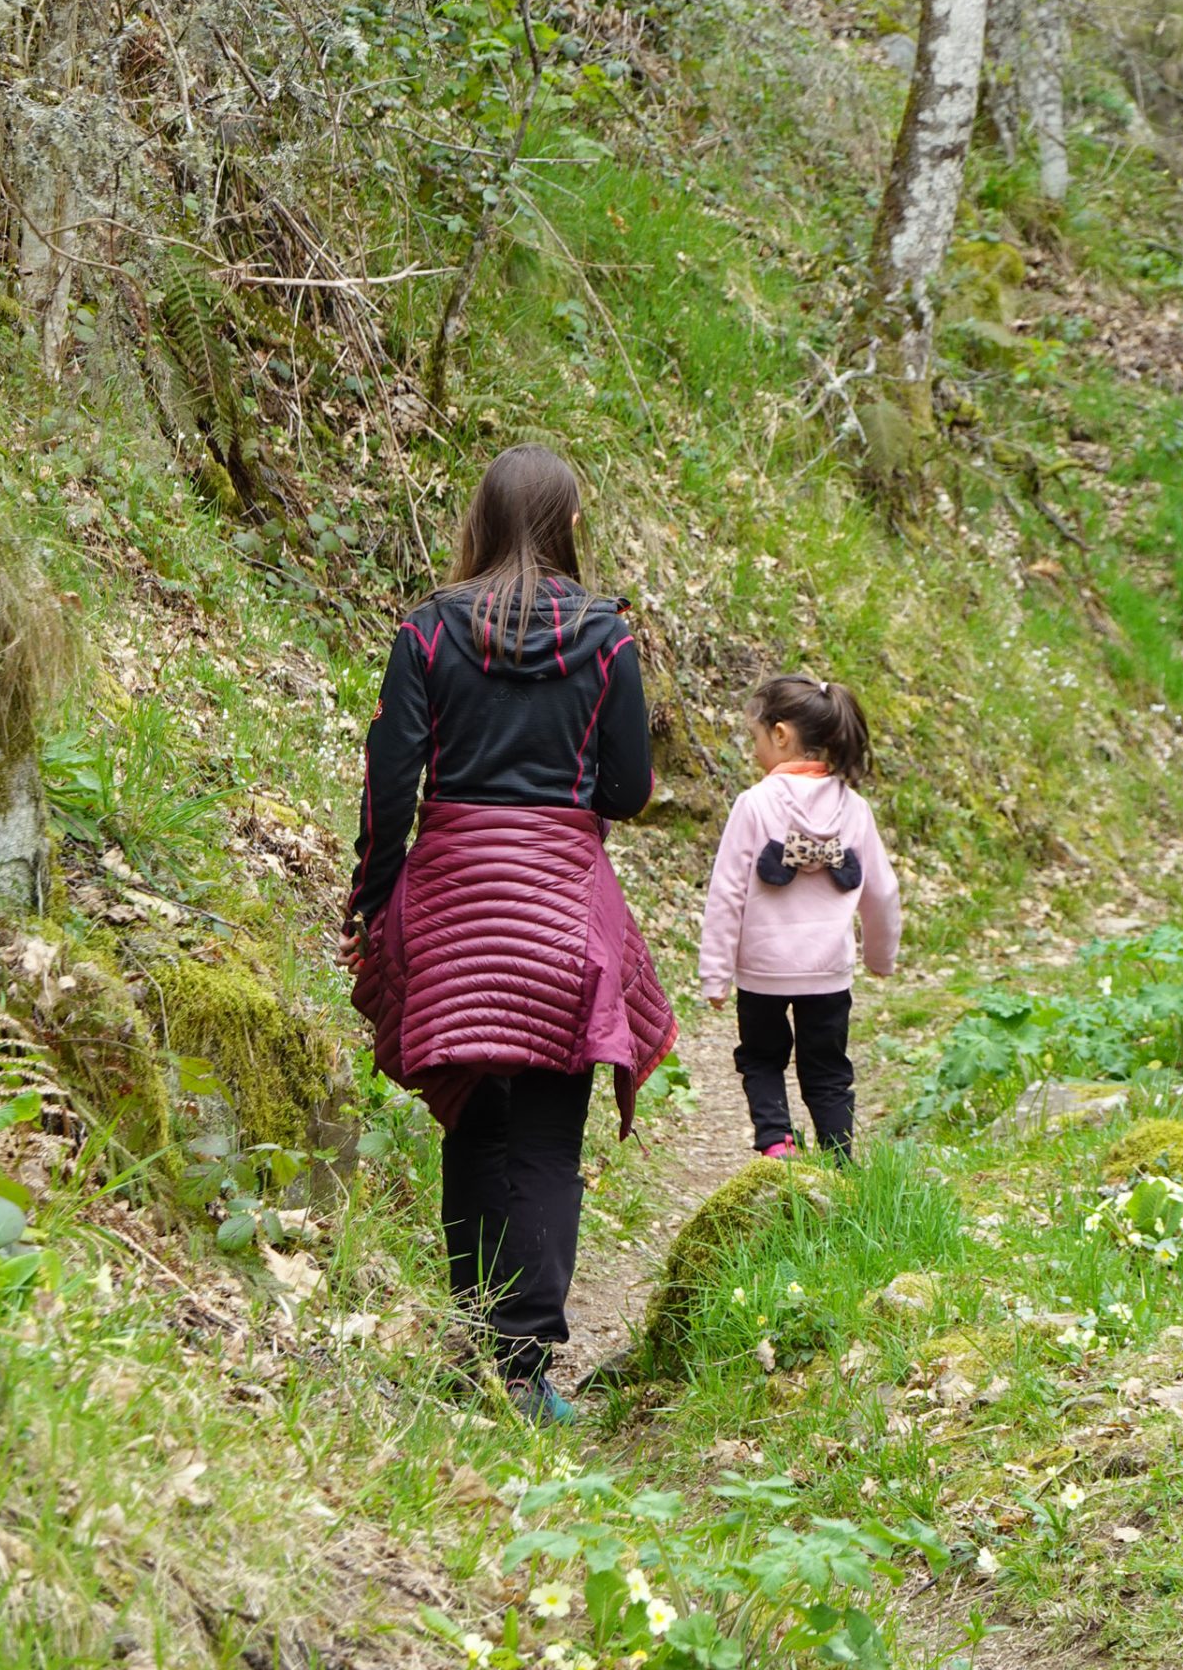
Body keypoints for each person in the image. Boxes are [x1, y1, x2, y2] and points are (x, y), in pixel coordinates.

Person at [338, 444, 674, 1426]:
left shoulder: (425, 630)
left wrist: (371, 906)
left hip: (451, 904)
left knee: (473, 1125)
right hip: (563, 908)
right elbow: (630, 789)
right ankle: (523, 1372)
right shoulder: (607, 637)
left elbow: (387, 786)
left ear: (480, 520)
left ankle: (474, 1347)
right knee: (546, 1139)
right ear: (568, 523)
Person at [698, 673, 900, 1160]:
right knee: (828, 1069)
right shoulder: (854, 807)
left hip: (763, 971)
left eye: (756, 738)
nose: (754, 751)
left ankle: (777, 1145)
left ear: (781, 734)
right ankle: (838, 1159)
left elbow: (726, 893)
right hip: (828, 970)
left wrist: (716, 974)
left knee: (761, 1058)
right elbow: (882, 891)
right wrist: (880, 956)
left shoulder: (754, 804)